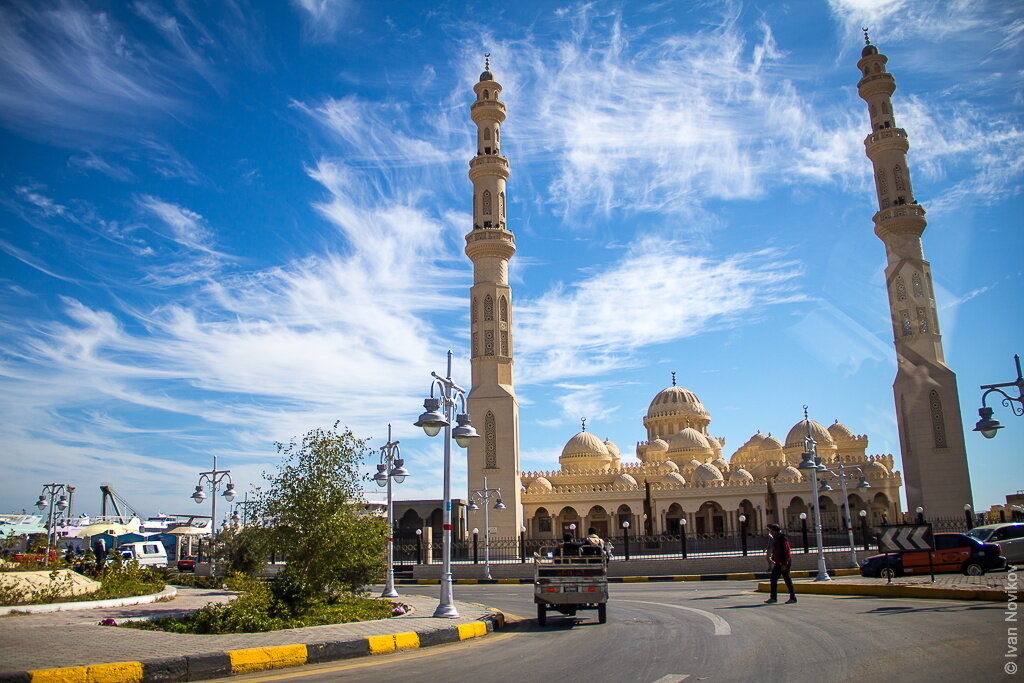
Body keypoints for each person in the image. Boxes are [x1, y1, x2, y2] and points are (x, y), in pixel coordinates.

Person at [764, 523, 797, 604]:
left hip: (784, 563)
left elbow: (786, 551)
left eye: (771, 530)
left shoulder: (782, 539)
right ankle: (773, 598)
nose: (770, 532)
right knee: (773, 578)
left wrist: (785, 564)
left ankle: (793, 598)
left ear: (775, 531)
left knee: (787, 580)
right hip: (778, 563)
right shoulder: (776, 538)